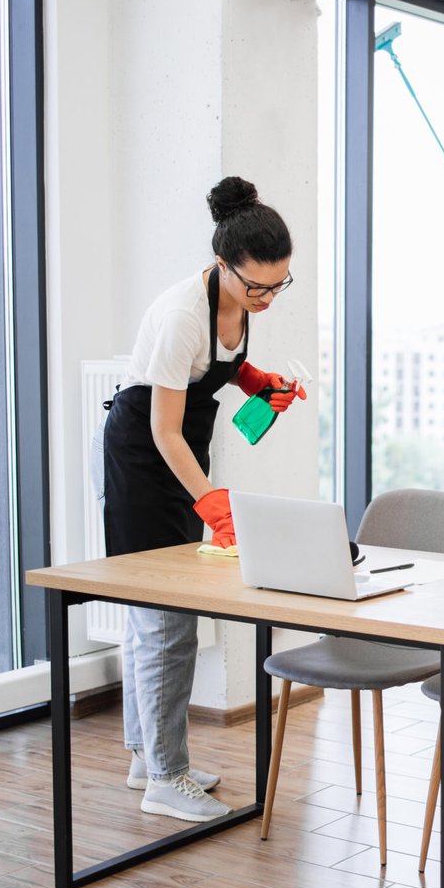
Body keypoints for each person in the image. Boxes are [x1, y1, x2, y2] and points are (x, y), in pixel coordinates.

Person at [102, 176, 305, 823]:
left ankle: (147, 755)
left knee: (154, 619)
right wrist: (212, 501)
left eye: (280, 284)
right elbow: (161, 426)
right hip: (145, 455)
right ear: (224, 265)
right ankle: (167, 775)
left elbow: (213, 368)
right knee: (166, 620)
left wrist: (257, 380)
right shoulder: (181, 313)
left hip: (184, 451)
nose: (268, 298)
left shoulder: (240, 302)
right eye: (257, 286)